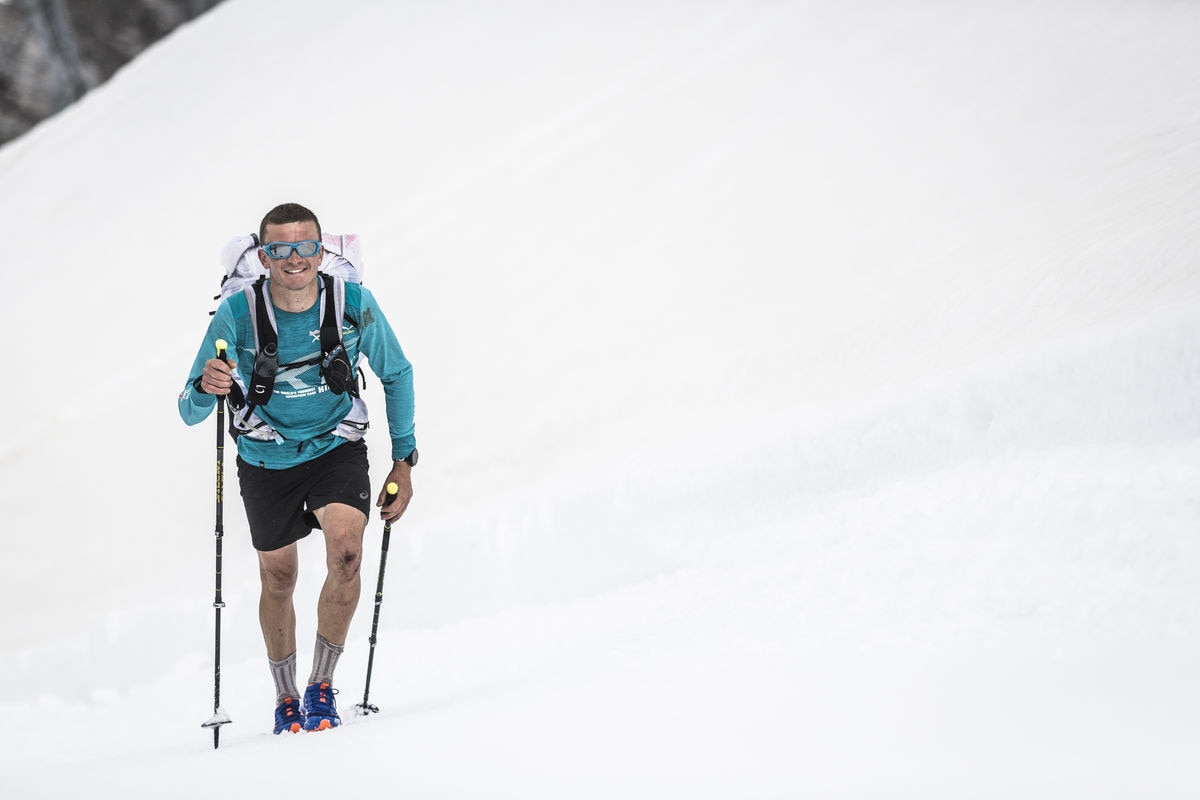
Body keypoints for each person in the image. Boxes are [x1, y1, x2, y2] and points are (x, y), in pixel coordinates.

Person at [178, 202, 416, 734]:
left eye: (305, 247)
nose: (294, 259)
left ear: (321, 251)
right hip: (265, 458)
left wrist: (404, 460)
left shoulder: (353, 303)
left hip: (336, 447)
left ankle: (321, 687)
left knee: (348, 554)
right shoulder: (236, 314)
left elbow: (396, 373)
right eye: (280, 248)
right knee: (279, 577)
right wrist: (206, 386)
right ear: (264, 256)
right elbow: (189, 408)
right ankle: (285, 698)